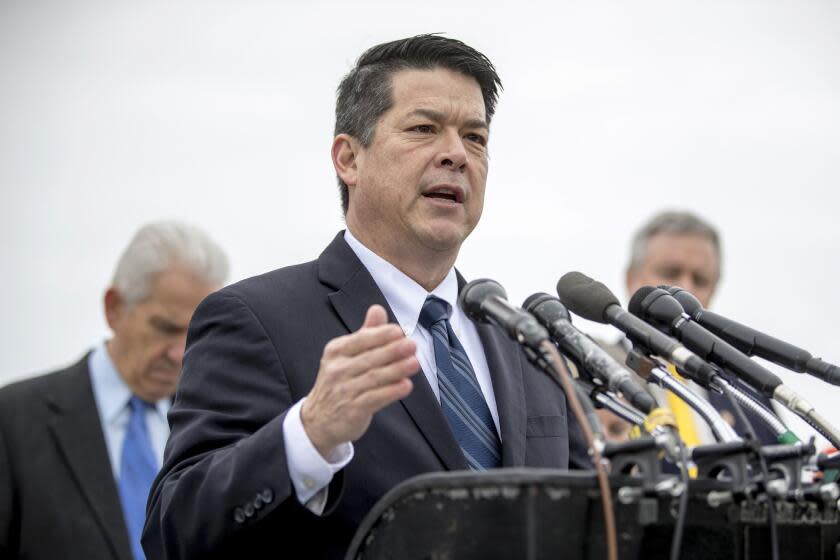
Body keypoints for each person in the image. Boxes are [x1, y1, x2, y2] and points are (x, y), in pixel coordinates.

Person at [142, 34, 585, 559]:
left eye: (475, 138)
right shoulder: (254, 319)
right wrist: (308, 437)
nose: (456, 155)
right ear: (349, 159)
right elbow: (174, 529)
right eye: (424, 129)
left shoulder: (526, 341)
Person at [0, 221, 228, 560]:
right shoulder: (15, 418)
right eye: (165, 328)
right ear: (114, 308)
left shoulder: (217, 426)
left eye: (196, 334)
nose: (179, 353)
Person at [597, 210, 777, 445]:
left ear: (713, 291)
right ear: (632, 279)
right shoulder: (597, 374)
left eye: (700, 279)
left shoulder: (747, 395)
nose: (685, 289)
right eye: (670, 273)